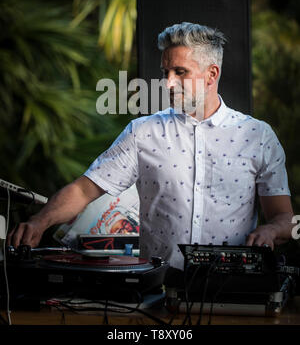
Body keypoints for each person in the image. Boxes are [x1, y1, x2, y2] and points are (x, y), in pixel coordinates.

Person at [8, 22, 294, 270]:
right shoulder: (142, 132)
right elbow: (84, 190)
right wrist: (40, 222)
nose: (168, 83)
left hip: (232, 291)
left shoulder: (258, 136)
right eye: (165, 72)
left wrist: (270, 230)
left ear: (211, 74)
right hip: (157, 292)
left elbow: (284, 217)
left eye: (180, 72)